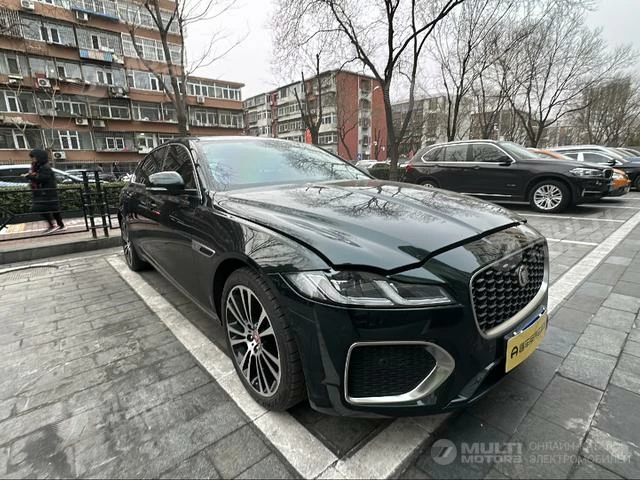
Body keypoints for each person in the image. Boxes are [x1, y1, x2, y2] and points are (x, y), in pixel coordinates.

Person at [25, 149, 66, 234]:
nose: (32, 159)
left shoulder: (45, 167)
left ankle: (55, 225)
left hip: (46, 192)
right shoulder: (37, 166)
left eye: (34, 157)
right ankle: (59, 225)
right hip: (43, 192)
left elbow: (42, 178)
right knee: (51, 209)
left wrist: (30, 176)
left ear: (39, 157)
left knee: (42, 208)